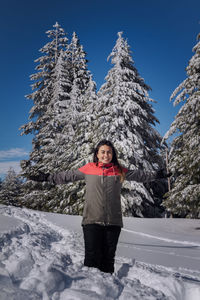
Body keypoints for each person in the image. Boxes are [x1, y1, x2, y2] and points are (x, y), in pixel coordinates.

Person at [29, 139, 168, 274]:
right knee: (91, 259)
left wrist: (156, 174)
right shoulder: (88, 169)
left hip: (113, 221)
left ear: (113, 154)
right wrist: (46, 177)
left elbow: (139, 175)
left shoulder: (119, 170)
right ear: (97, 154)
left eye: (109, 152)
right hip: (92, 220)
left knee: (108, 261)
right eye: (102, 152)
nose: (105, 155)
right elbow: (67, 176)